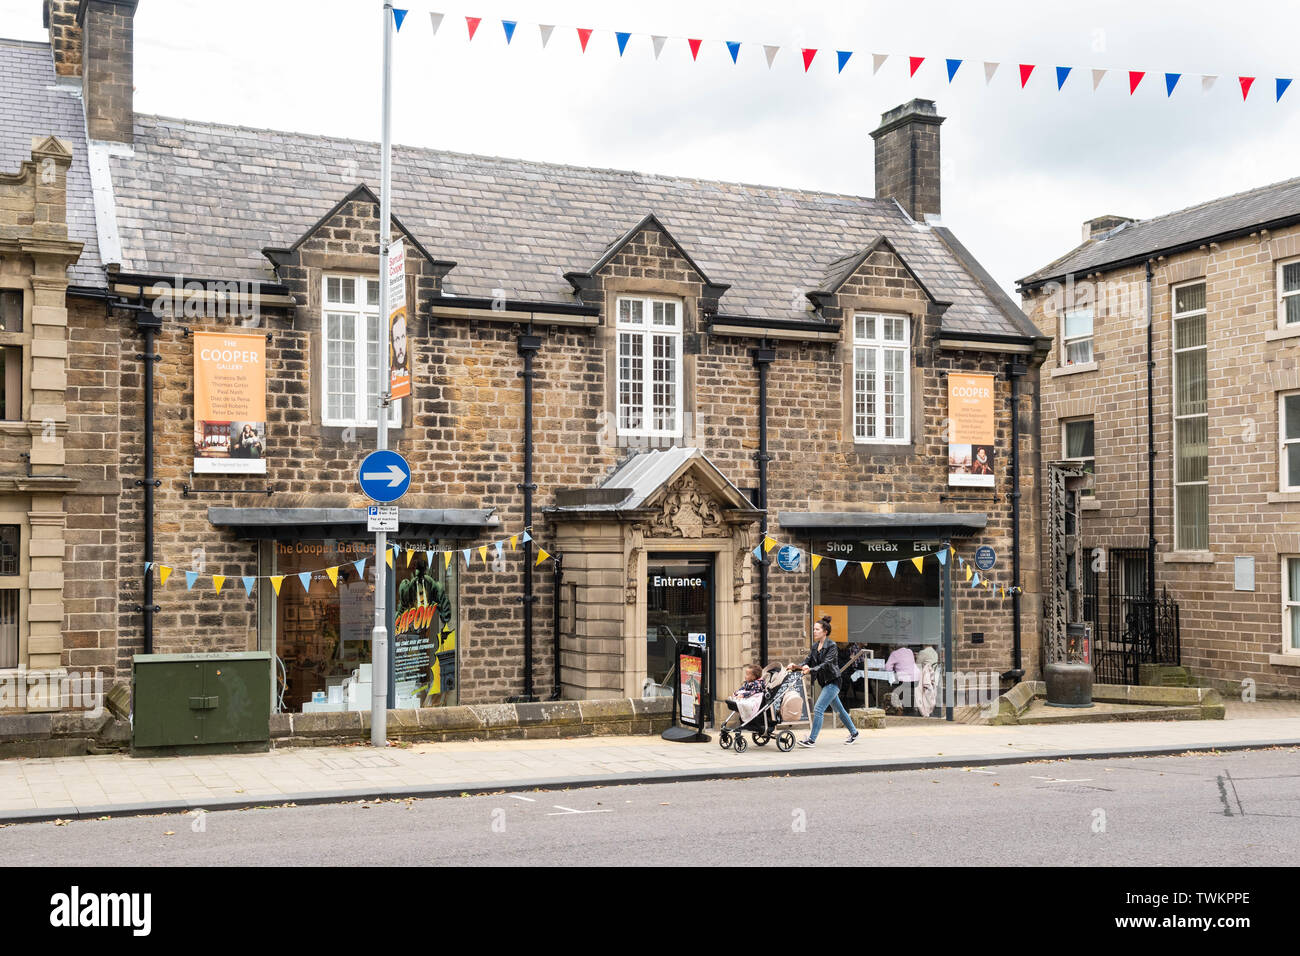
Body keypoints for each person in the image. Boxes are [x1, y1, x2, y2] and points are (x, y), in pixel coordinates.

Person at [793, 616, 859, 747]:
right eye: (814, 629)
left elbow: (827, 664)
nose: (814, 631)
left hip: (833, 681)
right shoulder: (815, 646)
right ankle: (854, 732)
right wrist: (796, 667)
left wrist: (810, 670)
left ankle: (811, 740)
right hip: (824, 682)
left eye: (817, 629)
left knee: (818, 708)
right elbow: (808, 660)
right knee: (839, 710)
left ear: (825, 632)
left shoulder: (832, 646)